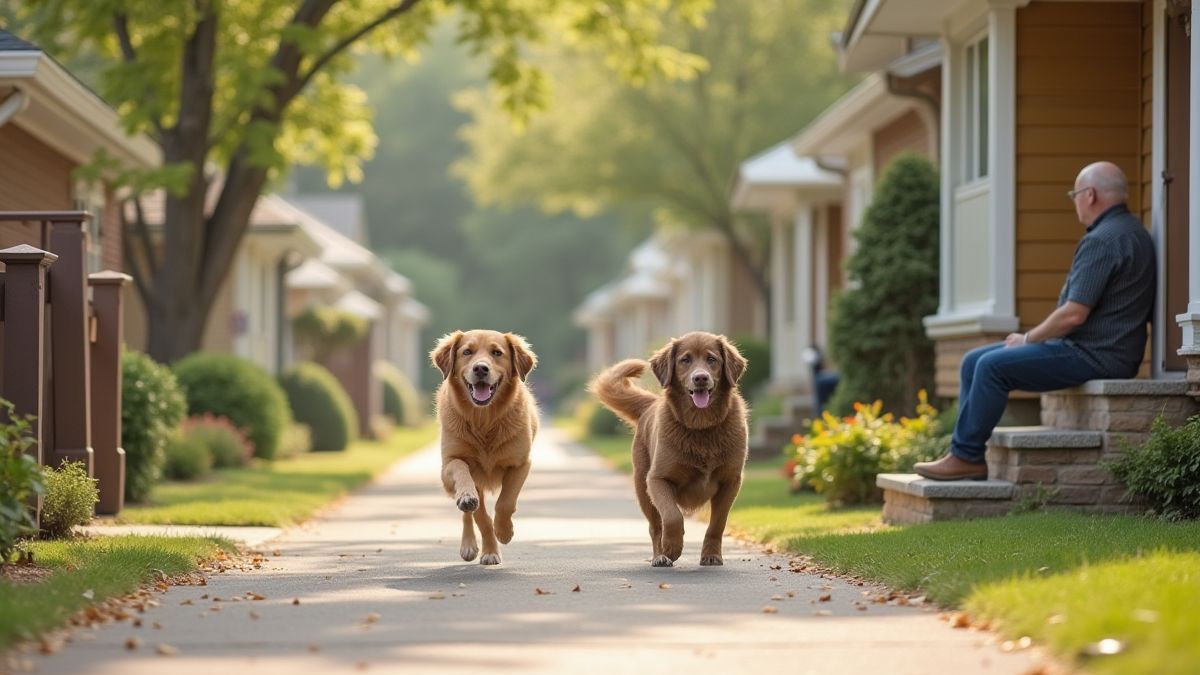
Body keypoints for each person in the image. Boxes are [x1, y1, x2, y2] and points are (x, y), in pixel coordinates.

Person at [914, 161, 1155, 481]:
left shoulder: (1102, 240)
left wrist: (1028, 339)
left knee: (991, 366)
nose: (1074, 202)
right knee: (974, 360)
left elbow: (1073, 313)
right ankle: (963, 454)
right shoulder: (1132, 232)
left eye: (1075, 194)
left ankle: (967, 456)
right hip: (1106, 350)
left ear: (1091, 195)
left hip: (1096, 354)